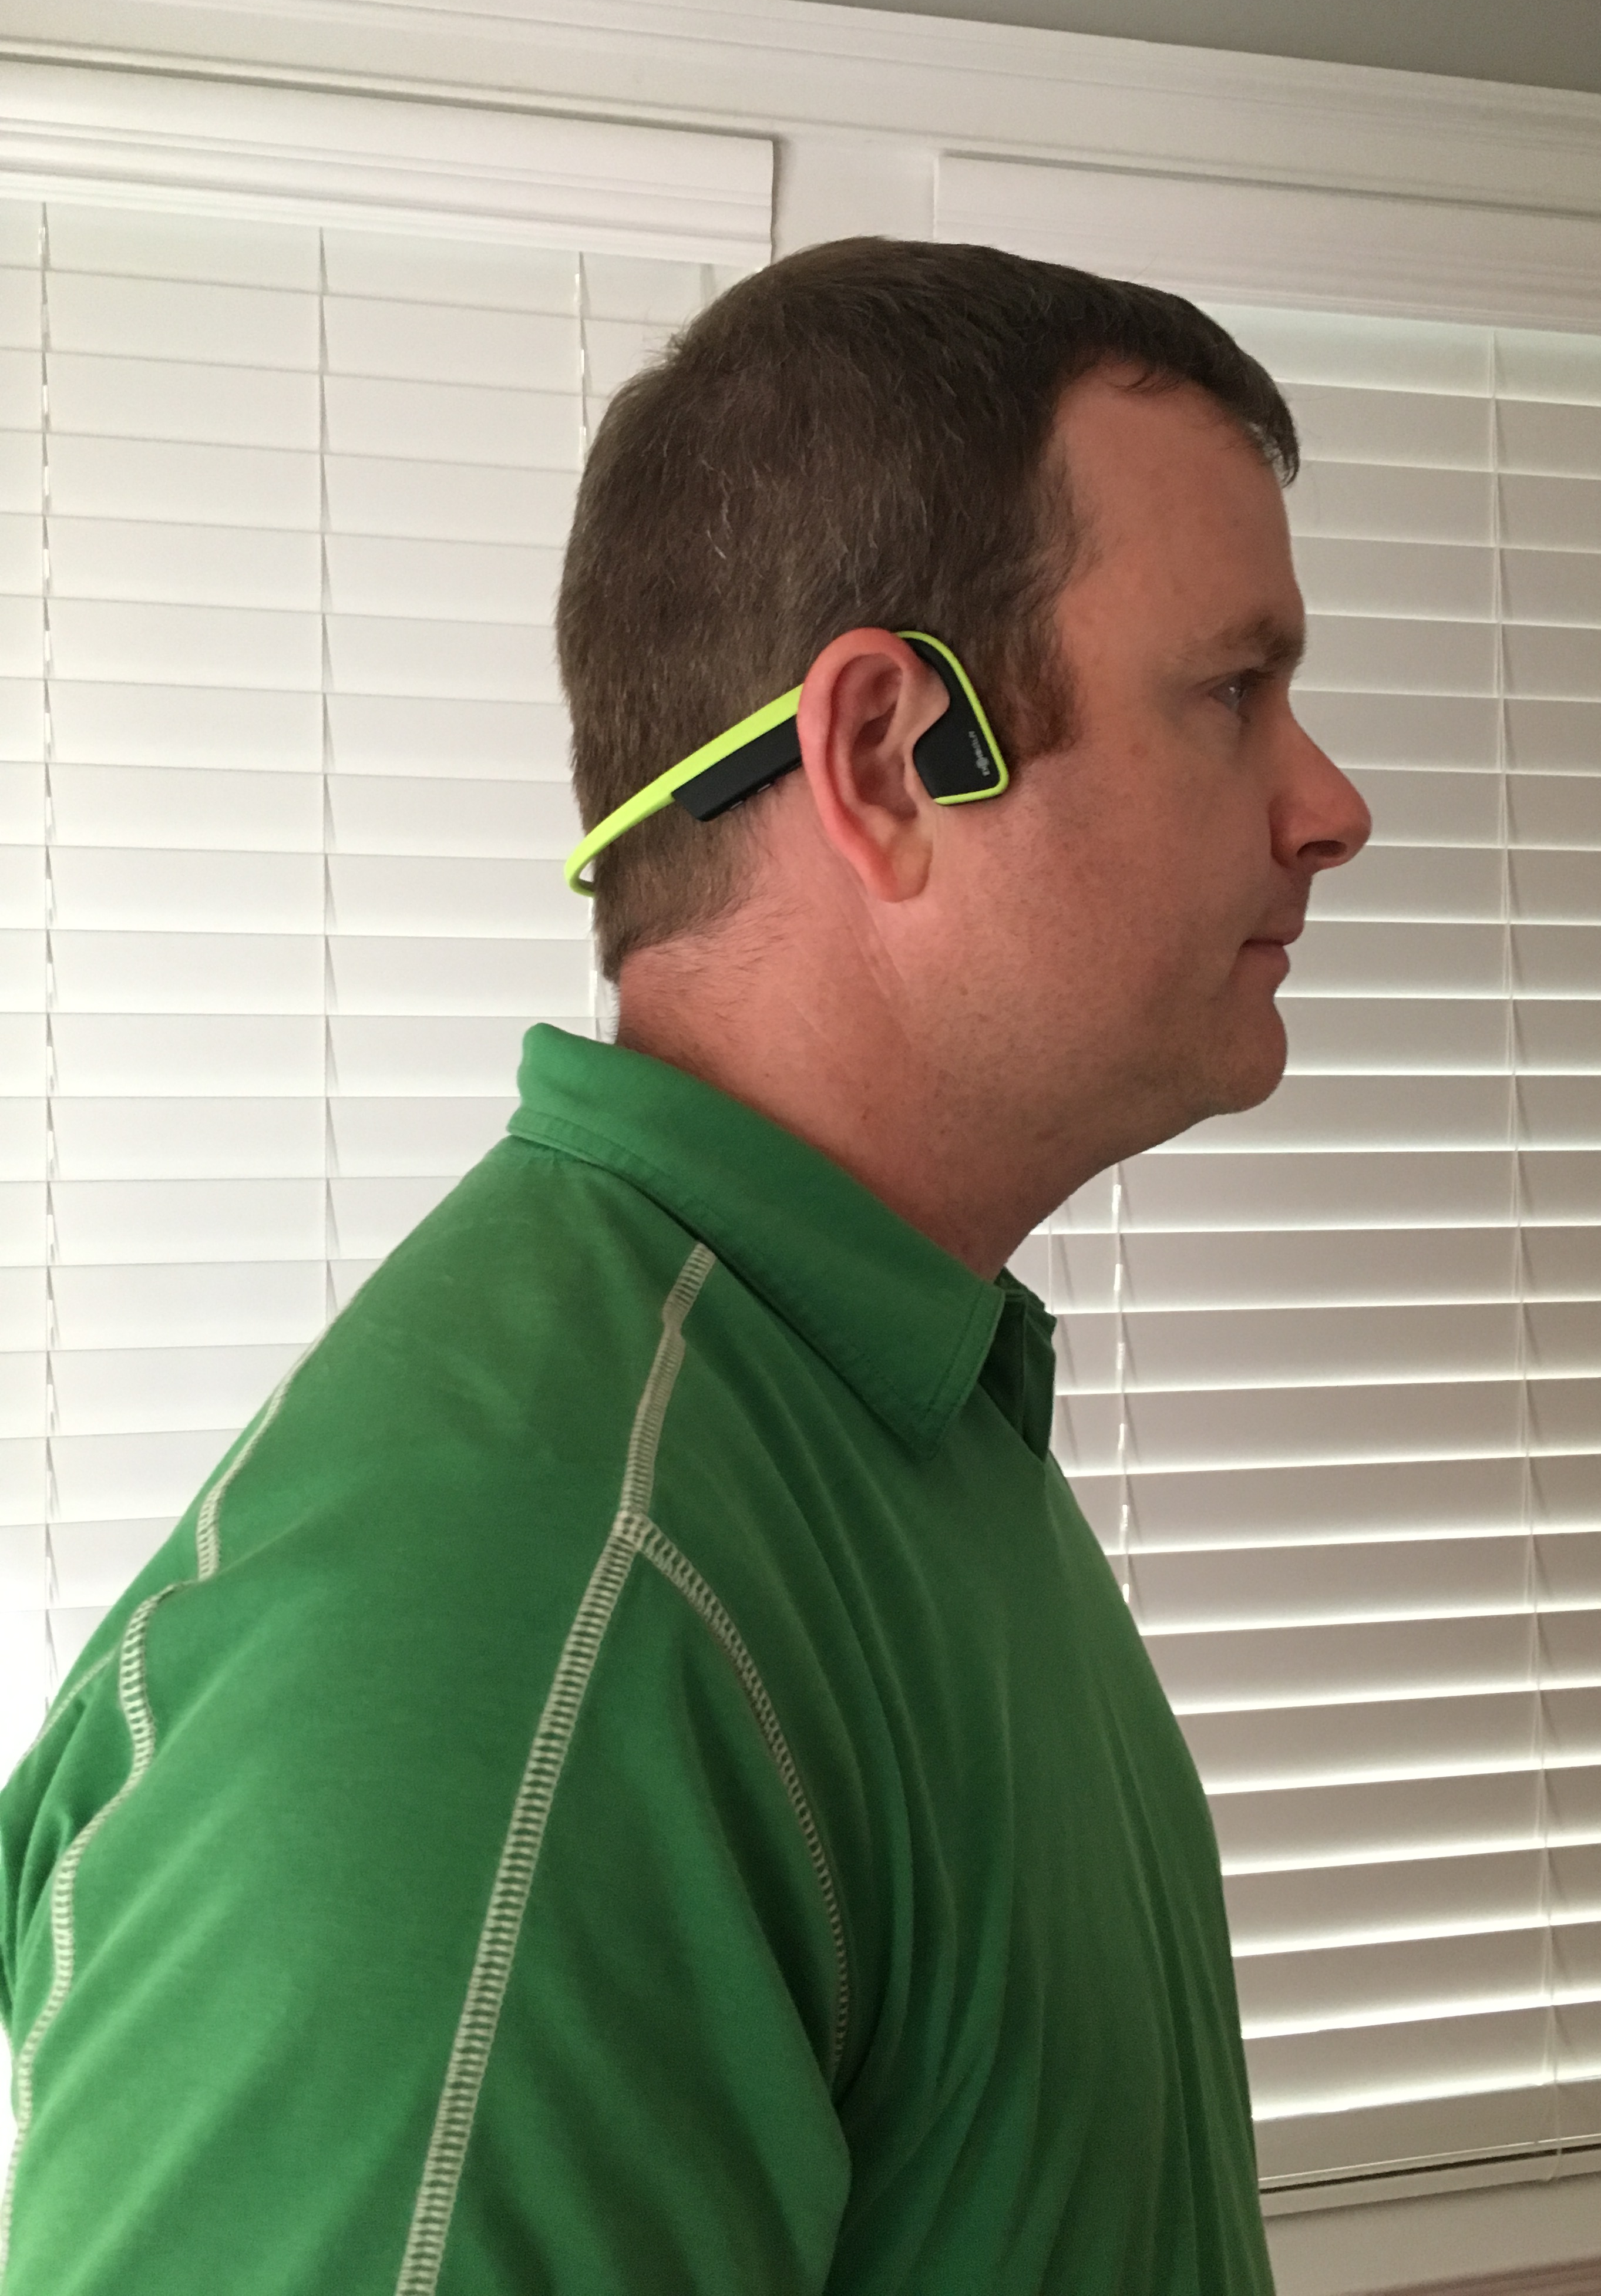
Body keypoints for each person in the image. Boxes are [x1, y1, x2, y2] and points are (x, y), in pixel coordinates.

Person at [0, 237, 1368, 2294]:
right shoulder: (514, 1606)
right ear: (890, 756)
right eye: (1235, 692)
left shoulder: (883, 1415)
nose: (1330, 805)